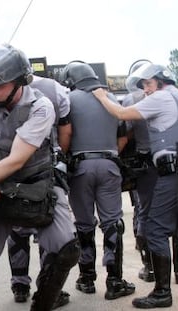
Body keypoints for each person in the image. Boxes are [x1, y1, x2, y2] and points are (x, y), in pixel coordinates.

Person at [0, 43, 80, 311]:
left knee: (66, 249)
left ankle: (42, 305)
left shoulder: (41, 106)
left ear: (20, 82)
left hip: (39, 184)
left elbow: (17, 159)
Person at [93, 63, 178, 309]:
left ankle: (162, 292)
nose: (146, 90)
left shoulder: (162, 97)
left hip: (170, 173)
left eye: (148, 84)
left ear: (161, 80)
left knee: (156, 229)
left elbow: (121, 114)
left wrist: (100, 95)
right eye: (142, 86)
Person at [59, 61, 135, 301]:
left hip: (80, 166)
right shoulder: (111, 97)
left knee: (83, 224)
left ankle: (87, 278)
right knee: (113, 223)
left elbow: (66, 135)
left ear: (71, 80)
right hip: (110, 164)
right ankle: (114, 281)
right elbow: (122, 138)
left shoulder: (68, 99)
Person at [6, 74, 72, 308]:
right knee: (46, 224)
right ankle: (46, 290)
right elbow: (65, 130)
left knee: (17, 229)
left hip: (12, 164)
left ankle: (20, 285)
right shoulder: (56, 89)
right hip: (46, 166)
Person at [120, 59, 158, 283]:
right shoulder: (171, 96)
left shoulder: (131, 99)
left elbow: (125, 132)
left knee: (143, 213)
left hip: (145, 165)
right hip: (169, 161)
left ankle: (150, 267)